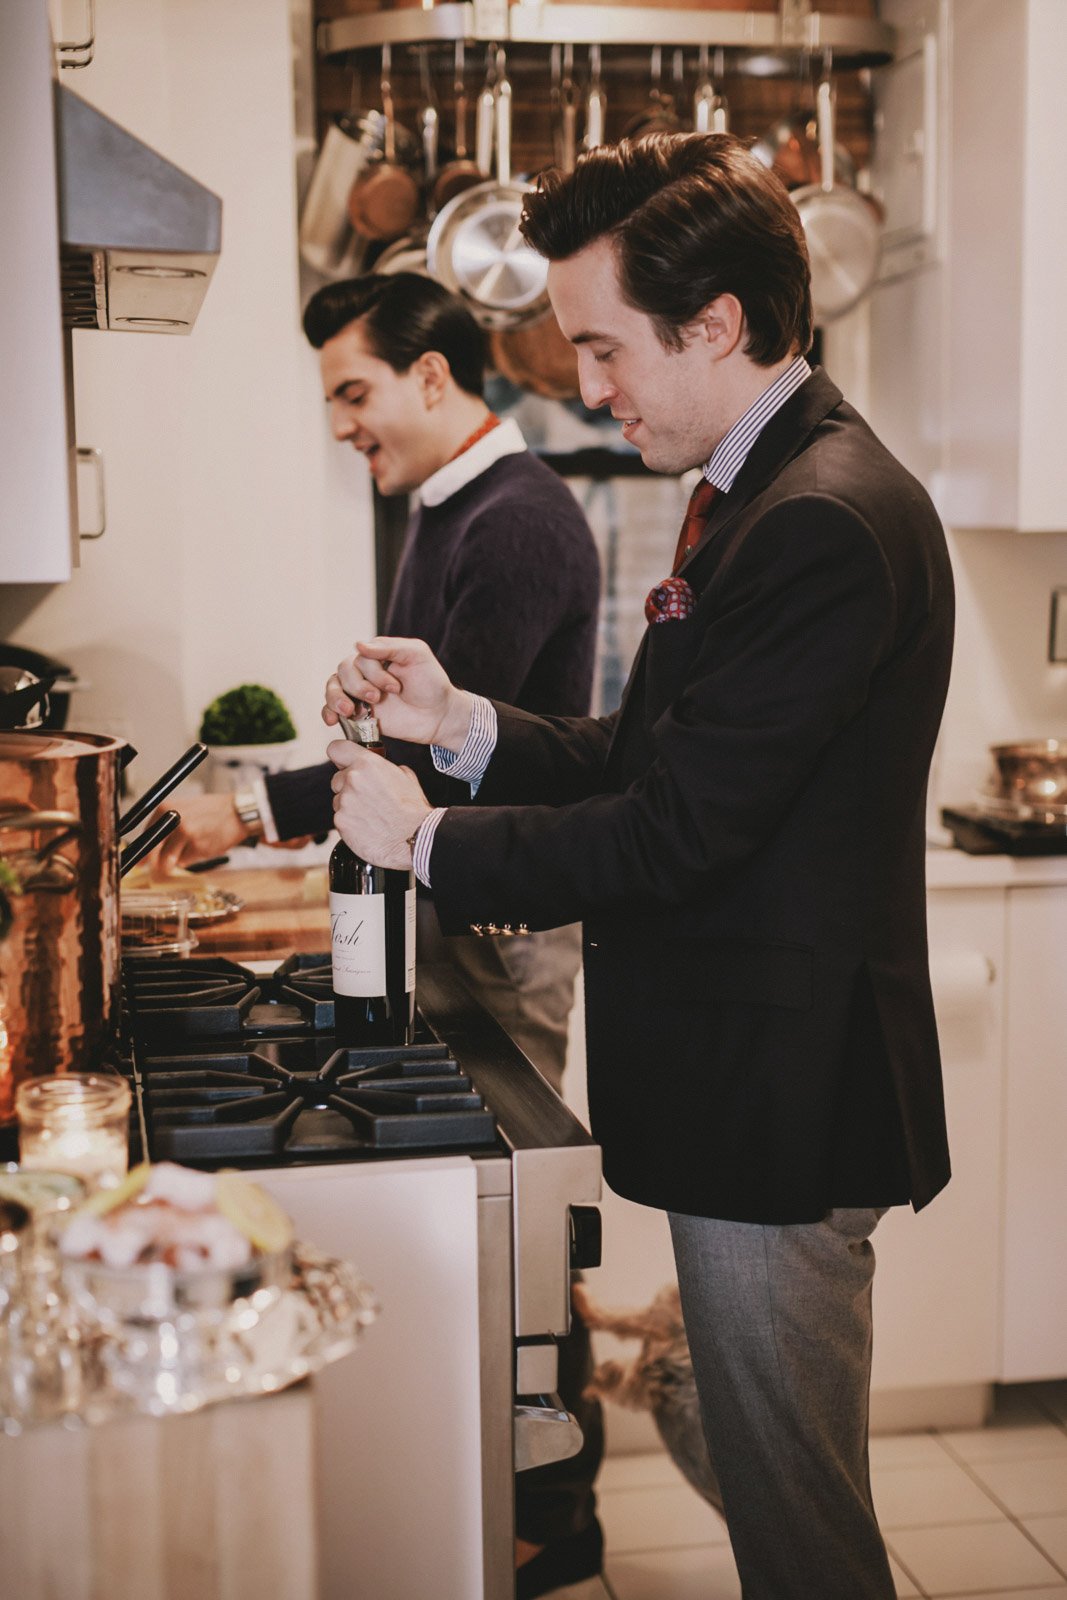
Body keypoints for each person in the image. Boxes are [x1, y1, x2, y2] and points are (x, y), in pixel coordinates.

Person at [321, 133, 956, 1600]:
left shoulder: (823, 518)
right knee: (767, 1478)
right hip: (749, 1086)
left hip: (781, 1103)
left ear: (717, 322)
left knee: (798, 1525)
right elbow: (664, 751)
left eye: (604, 347)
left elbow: (674, 832)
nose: (587, 387)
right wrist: (462, 724)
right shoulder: (764, 485)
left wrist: (422, 839)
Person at [160, 272, 605, 1594]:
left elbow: (455, 761)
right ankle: (515, 1481)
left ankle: (557, 1515)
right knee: (494, 1212)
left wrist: (249, 806)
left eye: (356, 392)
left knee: (520, 1215)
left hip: (505, 921)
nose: (344, 425)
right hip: (459, 902)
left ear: (433, 374)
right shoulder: (447, 509)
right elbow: (410, 728)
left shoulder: (518, 523)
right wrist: (345, 723)